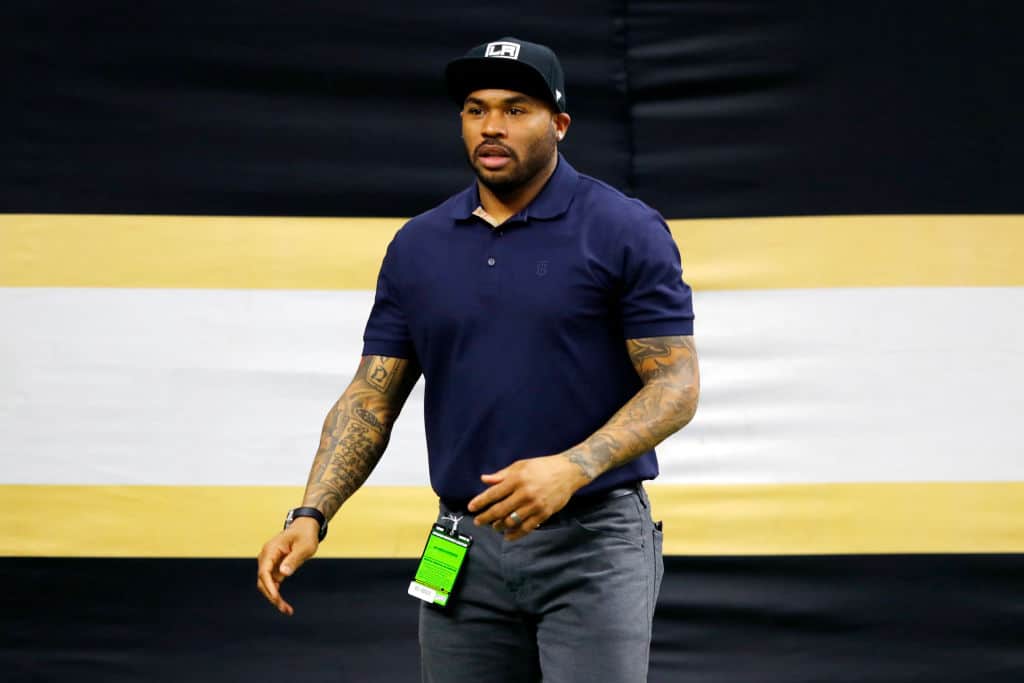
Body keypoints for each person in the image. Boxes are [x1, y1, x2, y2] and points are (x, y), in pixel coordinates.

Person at [256, 36, 699, 682]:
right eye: (475, 108)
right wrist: (311, 512)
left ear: (560, 123)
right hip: (457, 542)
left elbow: (677, 383)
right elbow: (370, 396)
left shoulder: (623, 229)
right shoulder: (418, 246)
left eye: (517, 108)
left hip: (593, 541)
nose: (492, 125)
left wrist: (572, 468)